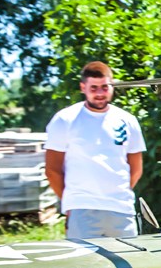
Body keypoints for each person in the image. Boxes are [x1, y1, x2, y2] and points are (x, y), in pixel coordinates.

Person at [45, 61, 145, 239]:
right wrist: (70, 202)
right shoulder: (64, 120)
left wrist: (117, 193)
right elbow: (52, 170)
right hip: (82, 208)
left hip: (121, 208)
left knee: (129, 264)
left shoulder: (127, 120)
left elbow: (136, 168)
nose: (99, 93)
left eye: (105, 87)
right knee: (85, 266)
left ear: (112, 86)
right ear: (83, 87)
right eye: (94, 88)